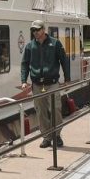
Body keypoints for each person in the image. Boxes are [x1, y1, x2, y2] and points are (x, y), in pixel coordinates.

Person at [21, 19, 70, 148]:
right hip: (37, 84)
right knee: (41, 111)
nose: (35, 32)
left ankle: (57, 135)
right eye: (33, 30)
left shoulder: (55, 44)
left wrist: (67, 79)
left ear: (44, 29)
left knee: (56, 109)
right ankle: (47, 137)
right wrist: (23, 81)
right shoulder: (29, 46)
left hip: (52, 83)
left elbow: (64, 61)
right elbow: (25, 64)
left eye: (37, 29)